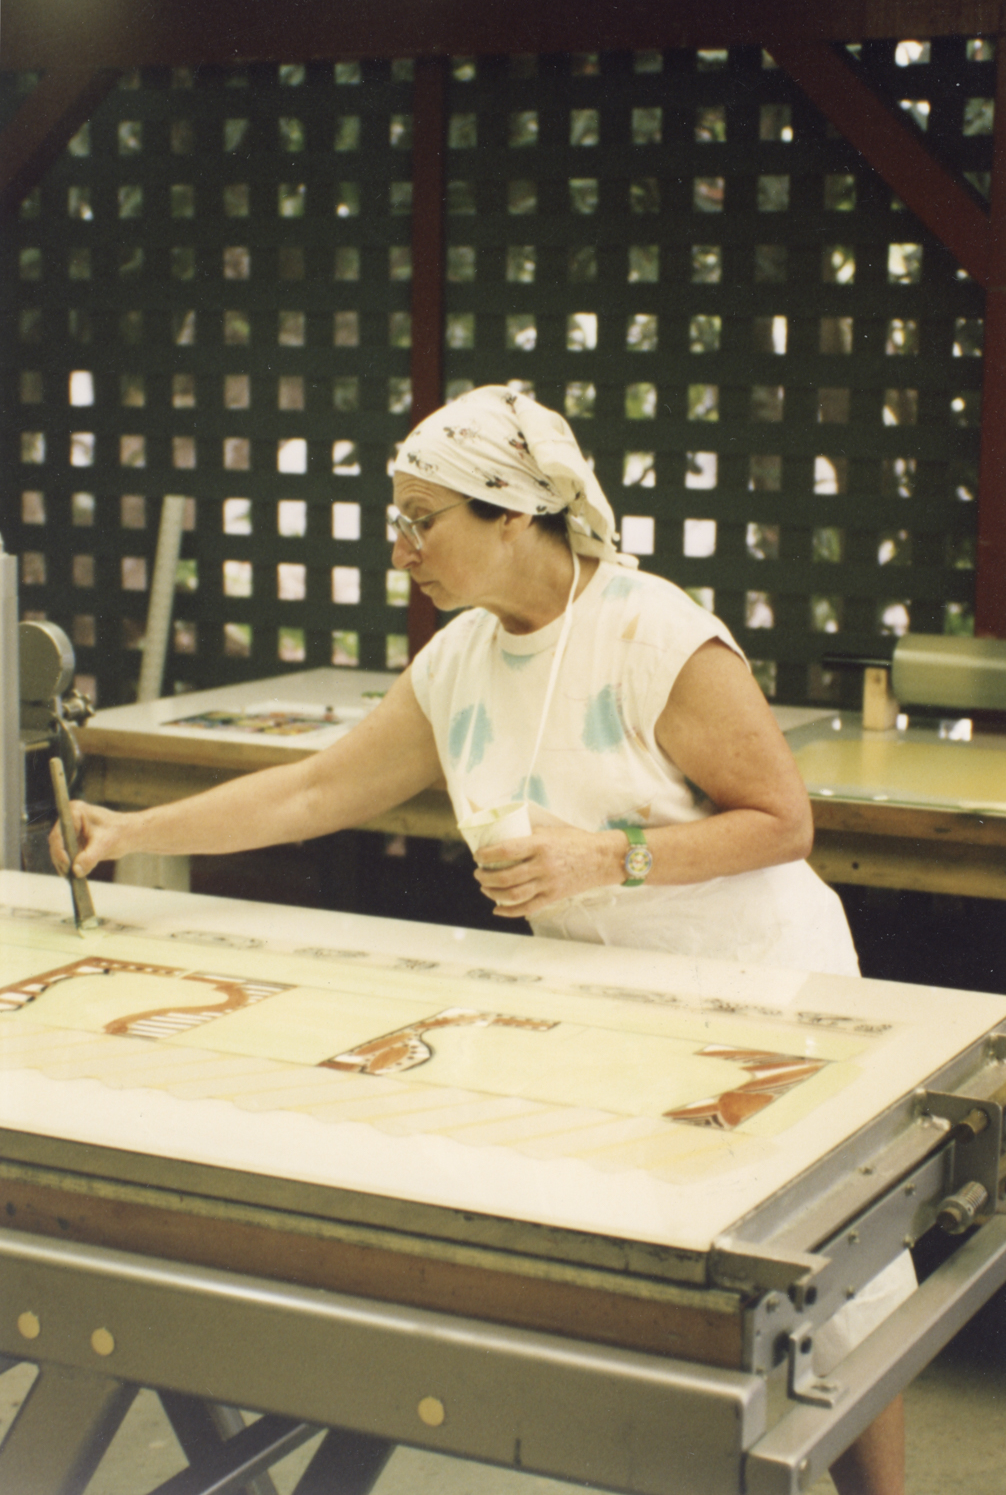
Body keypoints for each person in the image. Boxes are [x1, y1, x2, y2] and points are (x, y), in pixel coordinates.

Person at [52, 384, 909, 1495]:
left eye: (424, 520)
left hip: (761, 989)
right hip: (606, 1009)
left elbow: (783, 822)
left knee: (836, 1293)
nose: (401, 546)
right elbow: (314, 791)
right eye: (395, 519)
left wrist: (605, 857)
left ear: (513, 514)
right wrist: (129, 830)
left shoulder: (651, 632)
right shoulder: (462, 660)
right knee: (681, 1299)